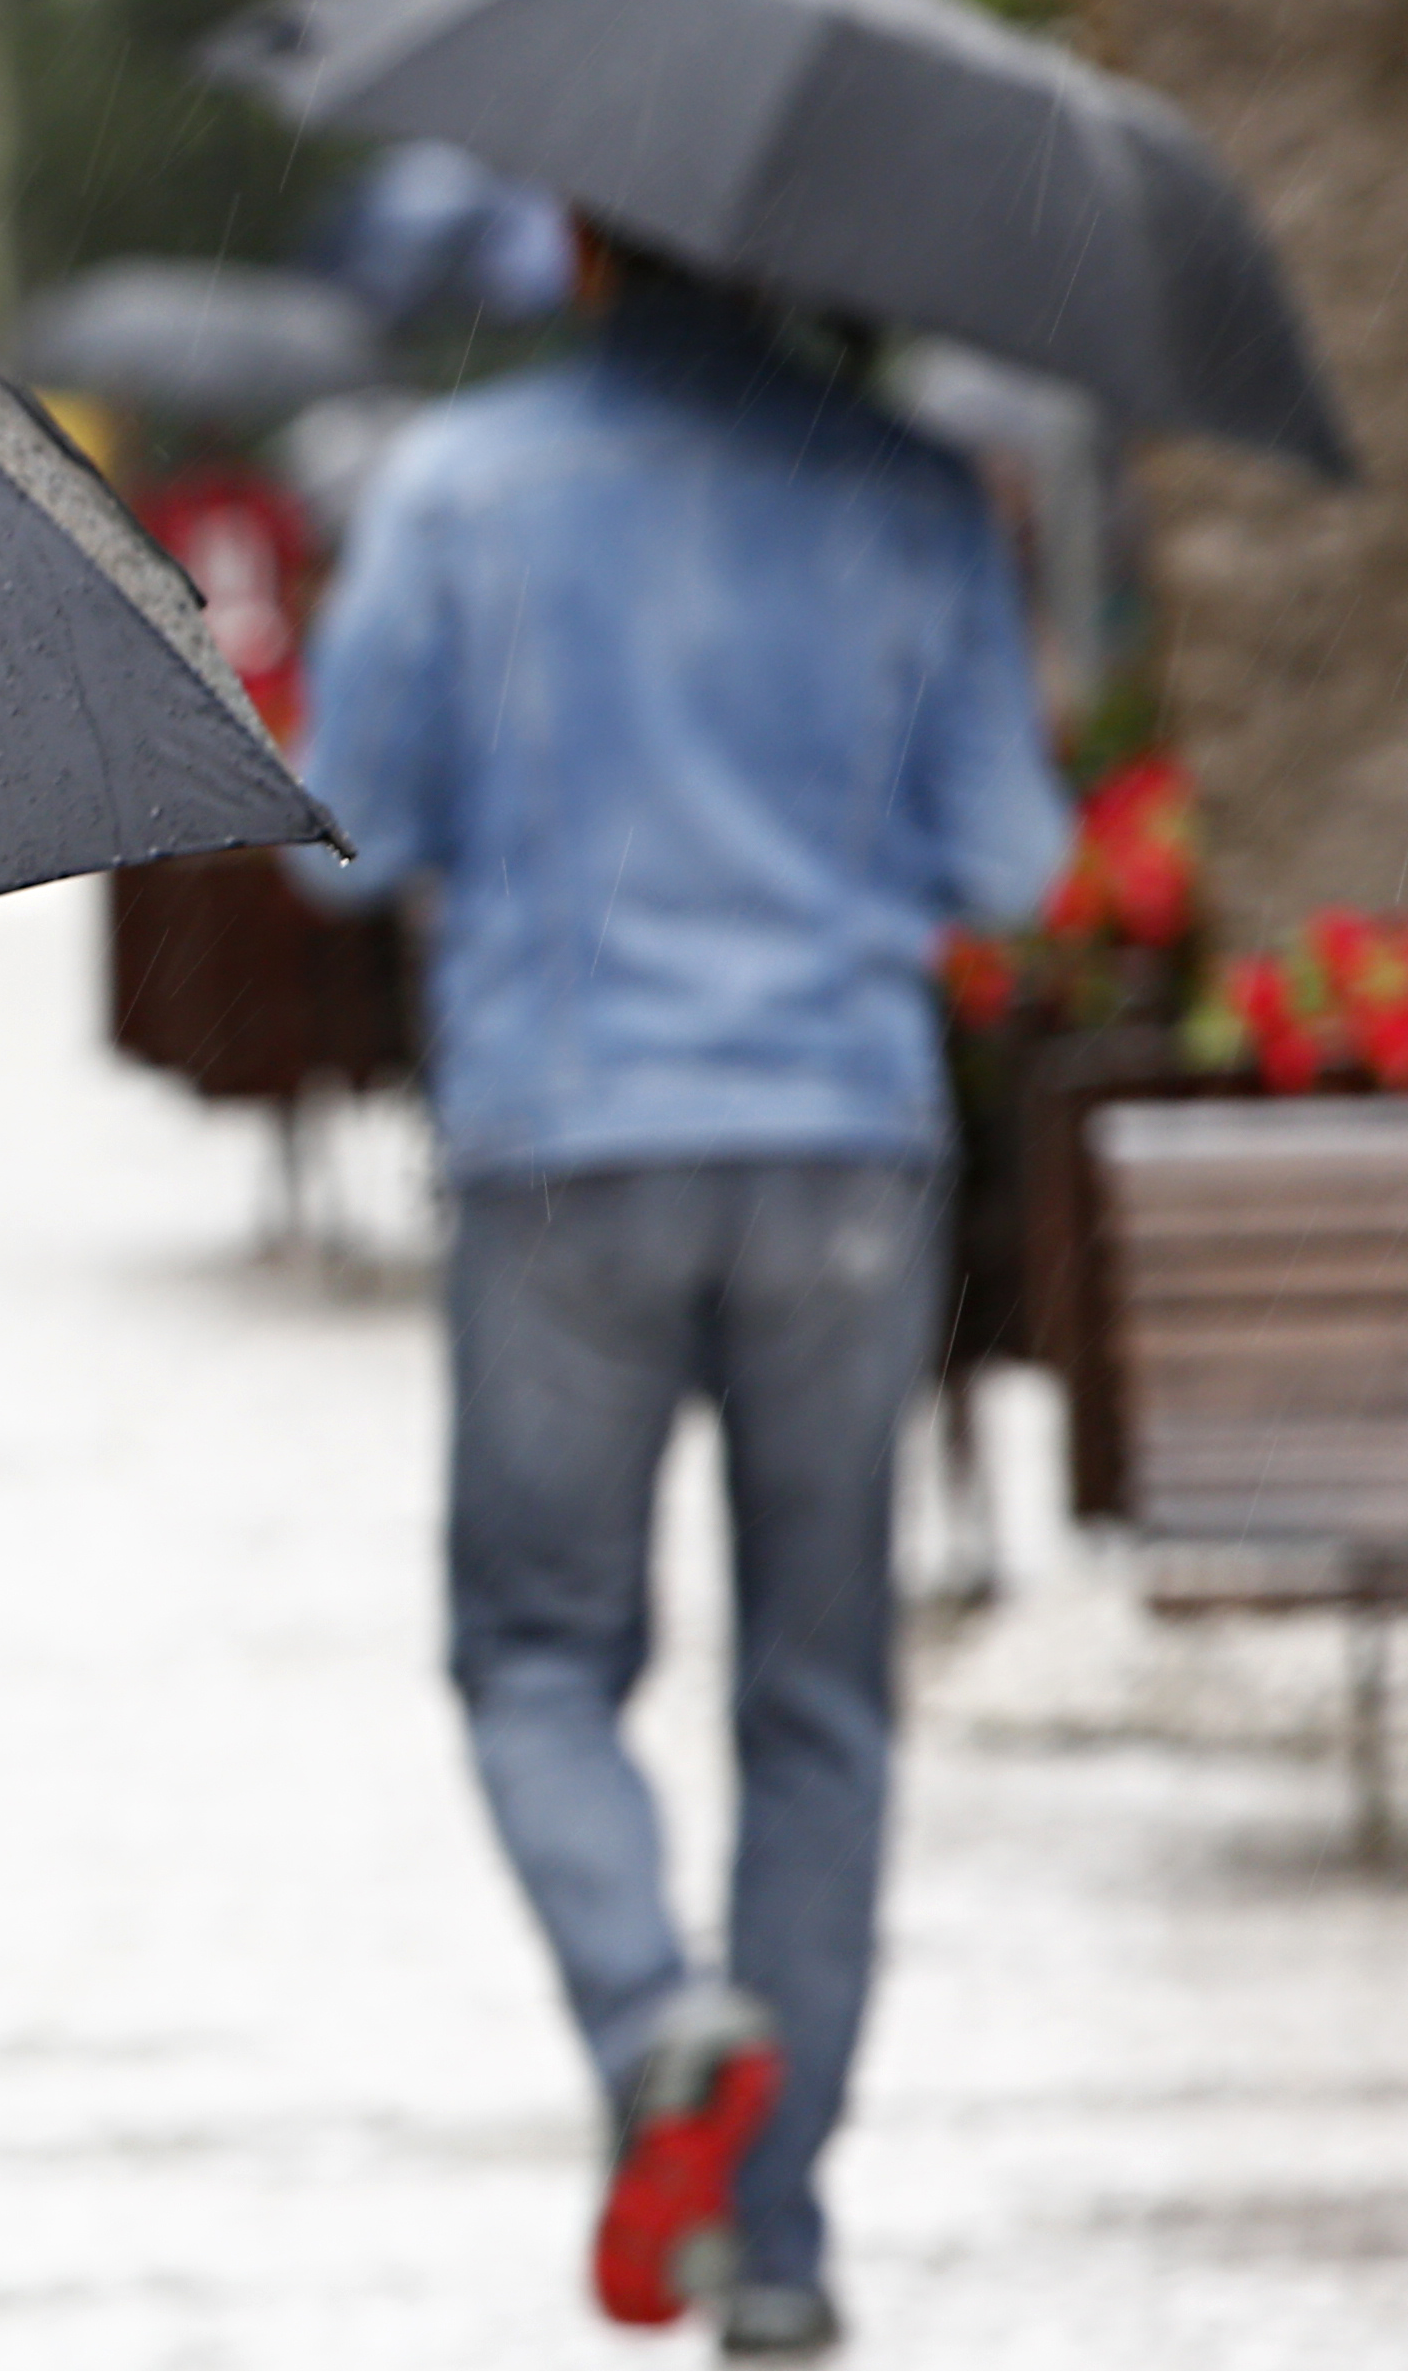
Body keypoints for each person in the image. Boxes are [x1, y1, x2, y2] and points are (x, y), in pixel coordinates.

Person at [296, 231, 1070, 2361]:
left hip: (562, 1141)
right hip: (841, 1147)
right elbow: (1014, 866)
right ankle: (783, 2247)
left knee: (540, 1654)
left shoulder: (461, 489)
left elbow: (336, 834)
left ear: (580, 245)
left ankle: (655, 2018)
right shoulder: (918, 491)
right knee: (820, 1704)